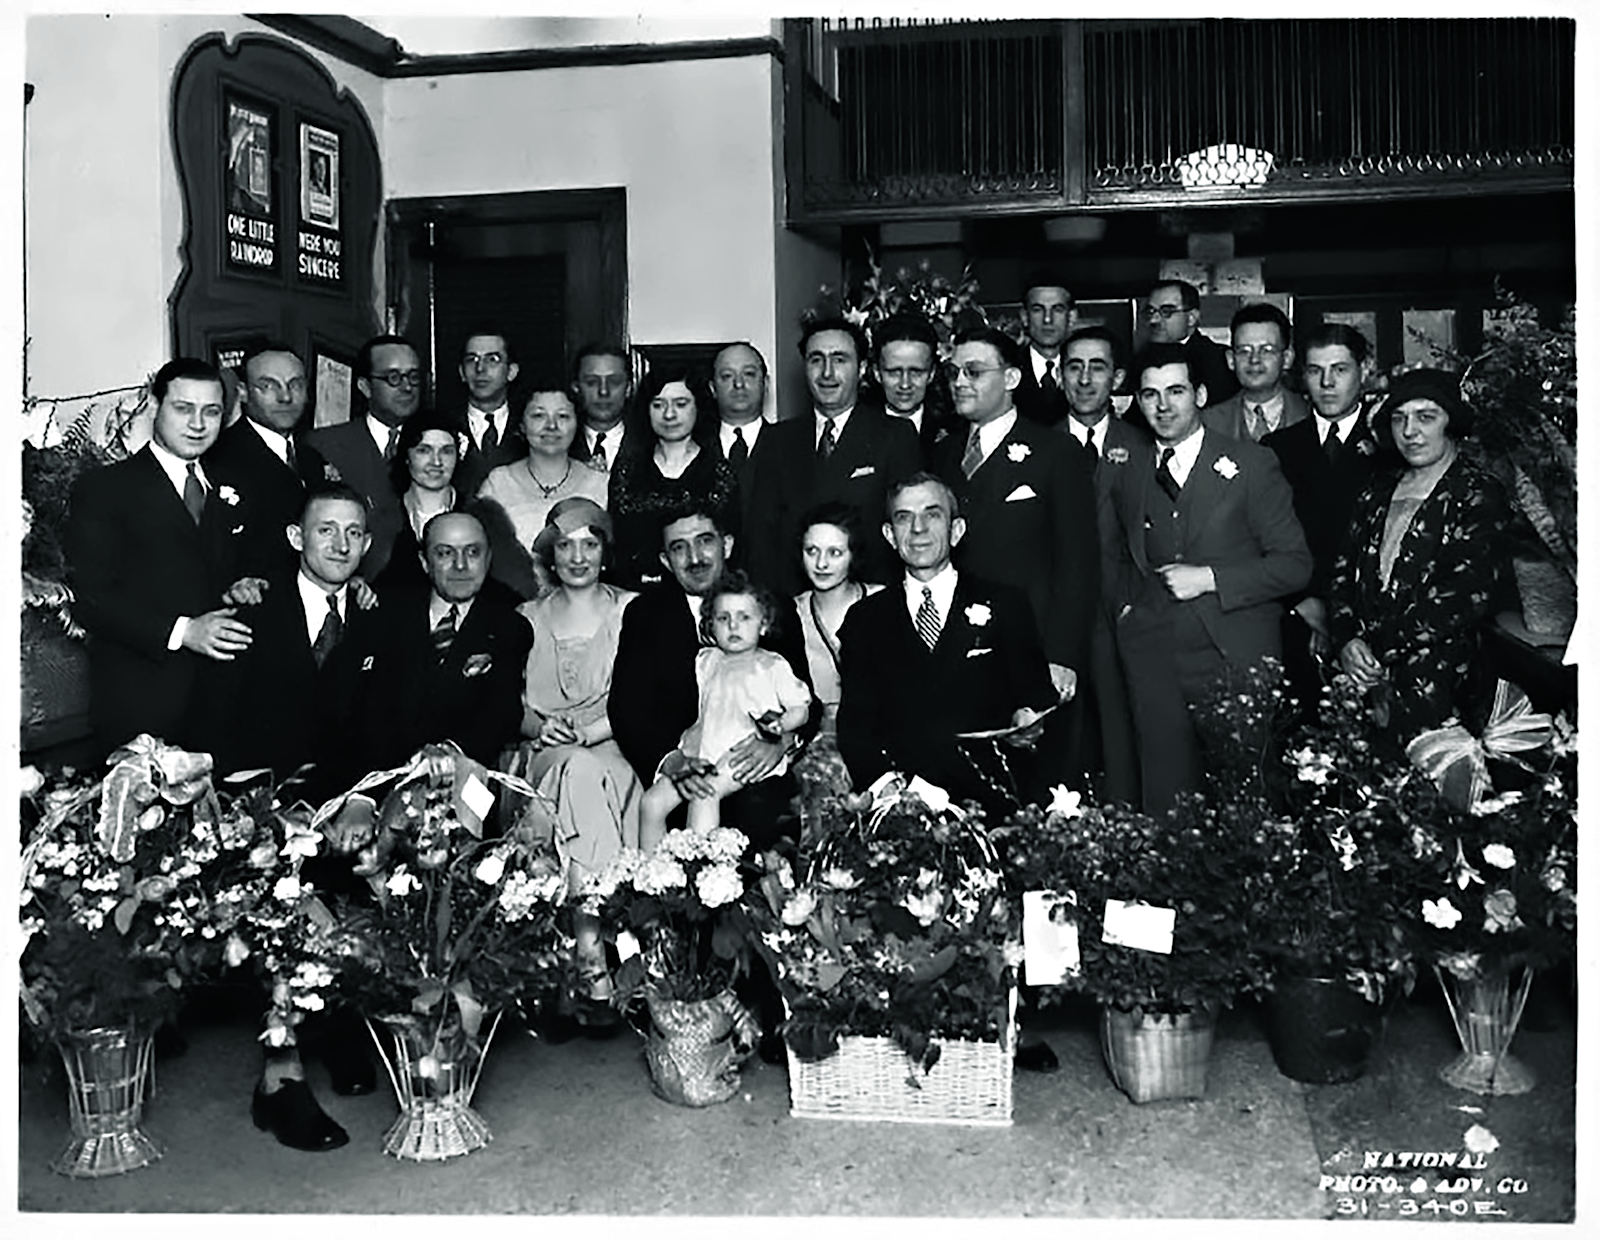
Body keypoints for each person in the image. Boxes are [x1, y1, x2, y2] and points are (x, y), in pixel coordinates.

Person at [227, 483, 386, 1153]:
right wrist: (266, 807)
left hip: (344, 796)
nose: (341, 545)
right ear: (298, 537)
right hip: (265, 800)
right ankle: (280, 1077)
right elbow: (225, 719)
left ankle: (341, 1024)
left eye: (354, 533)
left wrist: (362, 796)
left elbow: (385, 720)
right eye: (326, 531)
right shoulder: (255, 611)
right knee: (283, 889)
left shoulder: (378, 618)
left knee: (383, 871)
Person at [1103, 345, 1311, 814]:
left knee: (1245, 799)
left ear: (1199, 394)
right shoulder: (1129, 469)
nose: (1163, 406)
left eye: (1175, 391)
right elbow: (1114, 555)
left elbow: (1295, 564)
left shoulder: (1252, 465)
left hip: (1233, 653)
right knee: (1168, 803)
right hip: (1153, 657)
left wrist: (1211, 578)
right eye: (1150, 394)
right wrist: (1127, 613)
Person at [65, 357, 256, 758]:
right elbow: (90, 598)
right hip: (142, 706)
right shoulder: (105, 489)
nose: (198, 424)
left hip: (222, 708)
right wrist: (182, 631)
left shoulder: (229, 488)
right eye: (183, 409)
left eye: (212, 412)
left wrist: (243, 585)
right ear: (154, 405)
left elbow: (219, 572)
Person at [932, 326, 1096, 790]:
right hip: (956, 651)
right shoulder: (942, 454)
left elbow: (1078, 563)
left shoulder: (1055, 452)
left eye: (973, 371)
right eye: (952, 372)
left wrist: (1063, 656)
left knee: (1038, 791)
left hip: (1033, 650)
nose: (959, 382)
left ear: (1011, 378)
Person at [836, 472, 1058, 815]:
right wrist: (888, 790)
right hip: (902, 806)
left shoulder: (1006, 604)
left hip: (992, 800)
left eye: (932, 514)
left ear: (956, 530)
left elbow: (1036, 697)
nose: (918, 529)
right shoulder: (865, 620)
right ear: (889, 536)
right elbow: (855, 726)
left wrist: (1028, 722)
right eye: (904, 518)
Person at [503, 497, 643, 1034]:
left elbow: (642, 701)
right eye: (565, 545)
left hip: (615, 751)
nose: (578, 556)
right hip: (542, 757)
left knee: (584, 771)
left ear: (606, 552)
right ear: (550, 554)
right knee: (572, 772)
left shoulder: (633, 609)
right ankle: (605, 960)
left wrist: (589, 733)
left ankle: (578, 965)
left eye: (590, 543)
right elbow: (505, 700)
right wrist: (539, 726)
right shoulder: (525, 618)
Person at [610, 504, 817, 856]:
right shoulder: (645, 615)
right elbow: (627, 708)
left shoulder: (768, 605)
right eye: (679, 547)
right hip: (684, 763)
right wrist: (672, 761)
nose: (694, 557)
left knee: (759, 810)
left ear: (728, 545)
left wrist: (780, 741)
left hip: (752, 768)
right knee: (660, 807)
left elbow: (805, 700)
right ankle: (659, 895)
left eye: (705, 541)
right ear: (664, 561)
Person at [1329, 368, 1512, 743]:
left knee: (1435, 794)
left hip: (1443, 685)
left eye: (1425, 417)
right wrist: (1347, 641)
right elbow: (1341, 574)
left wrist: (1375, 649)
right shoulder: (1377, 489)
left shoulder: (1478, 494)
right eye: (1399, 418)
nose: (1410, 431)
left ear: (1451, 424)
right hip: (1364, 681)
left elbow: (1464, 596)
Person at [750, 315, 923, 595]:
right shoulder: (777, 440)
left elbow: (904, 530)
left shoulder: (894, 436)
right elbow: (762, 538)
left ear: (862, 368)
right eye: (816, 359)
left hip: (869, 601)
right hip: (793, 607)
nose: (827, 373)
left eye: (839, 359)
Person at [638, 570, 813, 846]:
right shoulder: (705, 660)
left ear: (763, 624)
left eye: (744, 618)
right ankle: (653, 875)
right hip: (701, 748)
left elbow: (801, 707)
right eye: (723, 618)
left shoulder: (772, 665)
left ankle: (698, 871)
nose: (733, 626)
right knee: (652, 802)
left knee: (705, 794)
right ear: (710, 626)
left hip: (741, 752)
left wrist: (782, 727)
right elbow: (677, 699)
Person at [1262, 323, 1386, 712]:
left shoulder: (1394, 444)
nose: (1327, 383)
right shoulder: (1277, 448)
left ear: (1364, 369)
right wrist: (1307, 602)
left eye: (1340, 369)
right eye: (1315, 371)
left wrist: (1341, 620)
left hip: (1375, 625)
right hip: (1295, 612)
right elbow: (1262, 534)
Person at [1059, 326, 1151, 806]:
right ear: (1059, 376)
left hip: (1124, 613)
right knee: (1060, 734)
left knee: (1123, 733)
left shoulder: (1144, 444)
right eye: (1074, 366)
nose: (1085, 378)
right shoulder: (1039, 443)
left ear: (1117, 377)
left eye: (1097, 367)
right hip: (1056, 618)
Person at [363, 511, 533, 770]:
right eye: (445, 553)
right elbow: (367, 709)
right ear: (424, 561)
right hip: (382, 774)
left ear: (488, 559)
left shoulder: (510, 627)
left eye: (473, 552)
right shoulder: (385, 618)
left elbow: (502, 711)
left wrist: (449, 753)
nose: (461, 565)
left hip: (466, 775)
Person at [607, 363, 740, 590]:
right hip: (636, 596)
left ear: (698, 407)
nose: (669, 414)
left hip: (705, 596)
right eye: (658, 405)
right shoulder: (627, 471)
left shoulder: (720, 472)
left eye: (681, 404)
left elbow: (734, 548)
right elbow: (617, 545)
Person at [299, 334, 421, 580]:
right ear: (365, 386)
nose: (406, 387)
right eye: (393, 378)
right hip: (354, 593)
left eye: (413, 377)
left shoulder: (440, 444)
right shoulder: (323, 445)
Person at [475, 384, 608, 599]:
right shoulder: (498, 483)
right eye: (539, 416)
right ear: (521, 424)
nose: (551, 426)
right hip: (510, 608)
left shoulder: (602, 485)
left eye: (563, 416)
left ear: (578, 424)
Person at [205, 341, 309, 577]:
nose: (285, 397)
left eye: (296, 385)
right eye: (268, 386)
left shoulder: (313, 458)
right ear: (242, 391)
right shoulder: (217, 458)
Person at [373, 409, 467, 602]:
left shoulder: (478, 517)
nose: (436, 462)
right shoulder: (378, 520)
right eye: (424, 450)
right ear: (406, 456)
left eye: (446, 451)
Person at [708, 341, 781, 579]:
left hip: (777, 590)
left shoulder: (791, 446)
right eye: (727, 376)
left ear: (765, 383)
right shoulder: (695, 449)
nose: (739, 384)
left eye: (749, 374)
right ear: (712, 387)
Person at [1202, 303, 1309, 443]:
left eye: (1266, 350)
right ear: (1230, 360)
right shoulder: (1207, 423)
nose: (1254, 360)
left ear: (1287, 358)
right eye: (1244, 351)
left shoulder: (1310, 414)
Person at [1139, 279, 1238, 412]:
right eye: (1150, 312)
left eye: (1167, 311)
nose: (1154, 320)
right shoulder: (1141, 358)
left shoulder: (1217, 359)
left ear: (1191, 318)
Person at [450, 329, 527, 497]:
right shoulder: (445, 425)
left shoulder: (530, 427)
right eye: (472, 360)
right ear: (462, 372)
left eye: (492, 360)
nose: (480, 368)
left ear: (511, 371)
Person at [872, 313, 960, 453]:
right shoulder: (852, 429)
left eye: (916, 372)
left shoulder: (955, 432)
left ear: (931, 374)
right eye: (894, 372)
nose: (905, 384)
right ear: (877, 373)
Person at [1012, 271, 1075, 427]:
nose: (1048, 319)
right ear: (1025, 317)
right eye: (1038, 309)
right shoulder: (1007, 367)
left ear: (1072, 317)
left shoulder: (1085, 370)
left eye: (1057, 309)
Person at [568, 342, 632, 472]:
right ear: (576, 387)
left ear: (628, 388)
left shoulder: (650, 444)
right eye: (592, 382)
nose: (603, 391)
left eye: (614, 382)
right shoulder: (558, 444)